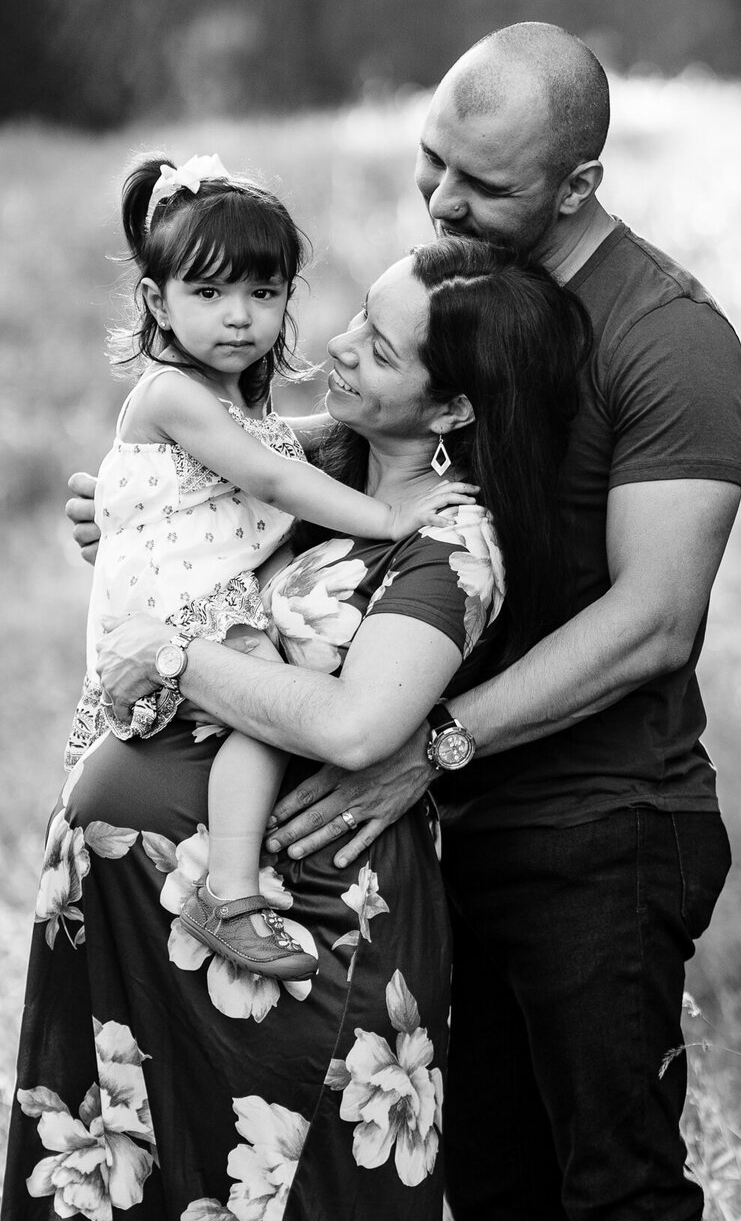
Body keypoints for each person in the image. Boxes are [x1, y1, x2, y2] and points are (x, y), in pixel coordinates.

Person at [67, 26, 741, 1221]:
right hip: (452, 831)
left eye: (476, 179)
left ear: (577, 181)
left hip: (598, 815)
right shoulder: (429, 311)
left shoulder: (669, 340)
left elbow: (655, 616)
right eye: (427, 156)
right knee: (501, 1193)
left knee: (612, 1177)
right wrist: (147, 515)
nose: (434, 193)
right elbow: (303, 468)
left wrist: (427, 738)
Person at [0, 237, 588, 1221]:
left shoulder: (448, 542)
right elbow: (170, 491)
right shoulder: (319, 461)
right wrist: (122, 524)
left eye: (377, 350)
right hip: (173, 959)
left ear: (447, 408)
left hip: (319, 960)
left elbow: (352, 727)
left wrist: (164, 645)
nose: (328, 352)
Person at [74, 150, 470, 981]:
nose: (239, 318)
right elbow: (273, 477)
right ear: (156, 300)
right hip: (180, 612)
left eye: (263, 293)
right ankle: (230, 891)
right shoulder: (176, 393)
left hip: (192, 605)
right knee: (264, 713)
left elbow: (272, 465)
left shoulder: (239, 403)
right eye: (209, 294)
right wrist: (389, 517)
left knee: (263, 713)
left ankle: (231, 880)